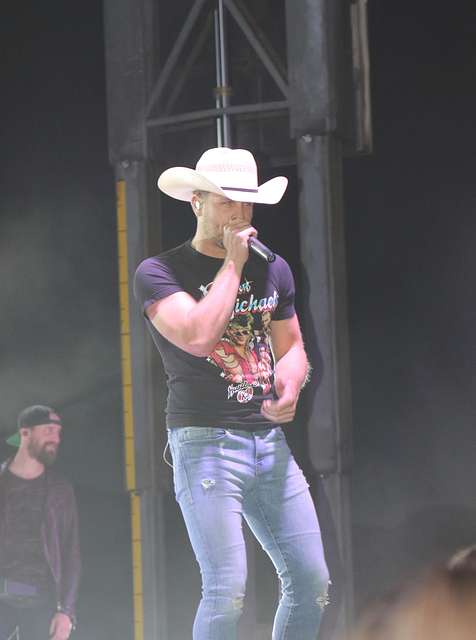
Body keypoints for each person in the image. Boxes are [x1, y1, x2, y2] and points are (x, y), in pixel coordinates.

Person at [134, 147, 329, 639]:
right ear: (196, 202)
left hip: (269, 444)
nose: (240, 215)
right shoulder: (160, 272)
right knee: (227, 590)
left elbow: (293, 347)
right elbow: (198, 337)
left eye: (247, 204)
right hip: (205, 445)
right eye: (226, 203)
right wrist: (234, 266)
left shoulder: (275, 268)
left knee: (312, 581)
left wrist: (292, 382)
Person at [0, 405, 80, 640]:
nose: (55, 438)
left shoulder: (60, 491)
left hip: (41, 604)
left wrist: (66, 612)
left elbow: (71, 553)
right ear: (25, 434)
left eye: (58, 432)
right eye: (48, 431)